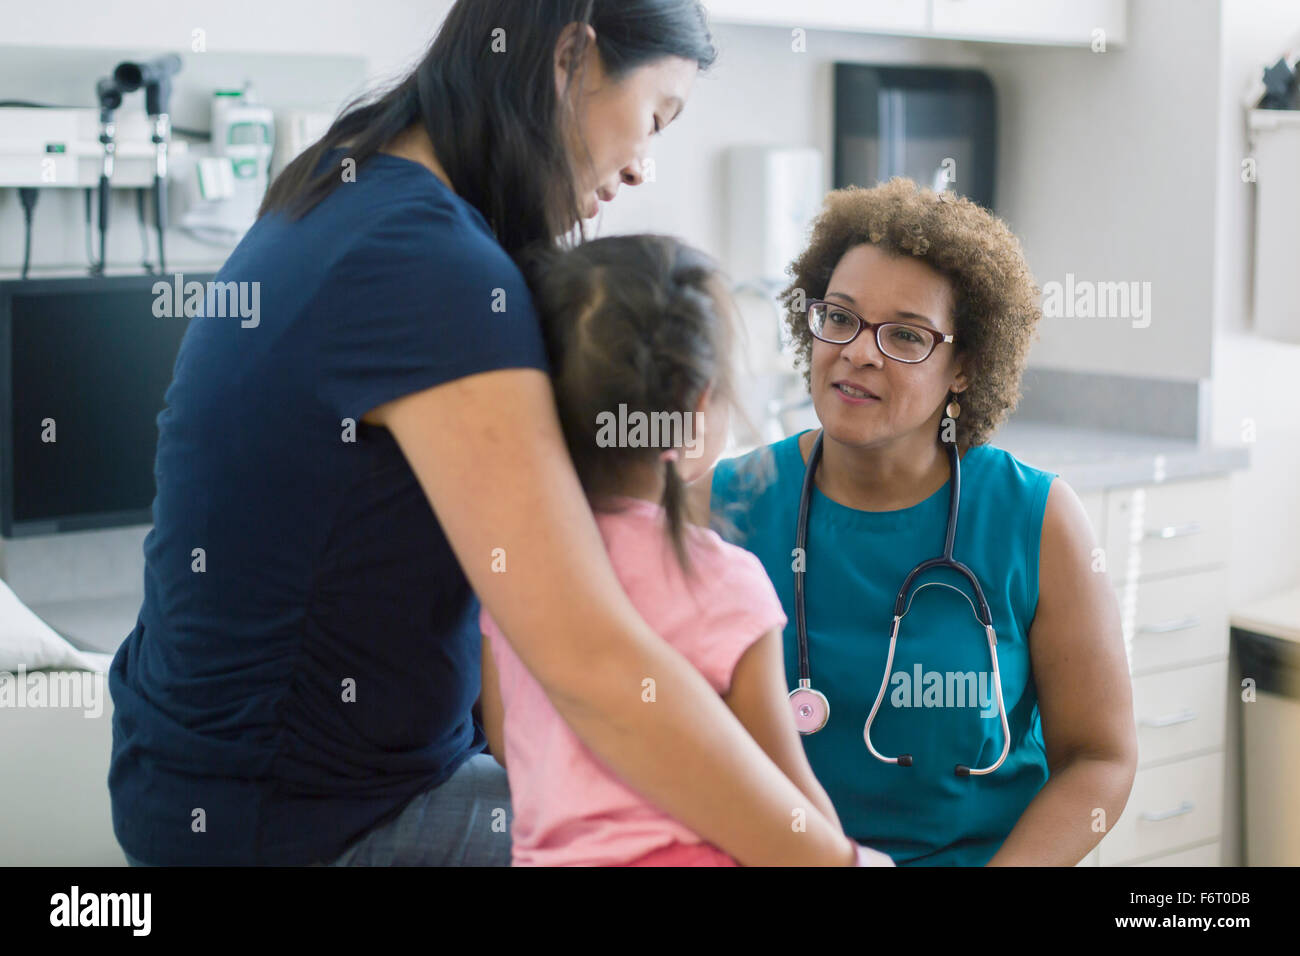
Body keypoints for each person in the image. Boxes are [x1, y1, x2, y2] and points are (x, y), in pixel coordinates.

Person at [108, 0, 860, 867]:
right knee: (684, 838)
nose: (646, 165)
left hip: (206, 783)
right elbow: (591, 666)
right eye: (655, 117)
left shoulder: (347, 185)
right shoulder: (432, 269)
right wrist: (833, 864)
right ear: (570, 56)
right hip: (299, 828)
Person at [695, 178, 1139, 866]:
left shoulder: (1037, 520)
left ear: (964, 366)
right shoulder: (722, 506)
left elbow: (1100, 760)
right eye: (838, 318)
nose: (859, 351)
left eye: (905, 335)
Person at [477, 235, 894, 867]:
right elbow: (790, 804)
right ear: (698, 404)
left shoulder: (513, 567)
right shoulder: (725, 581)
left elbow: (511, 742)